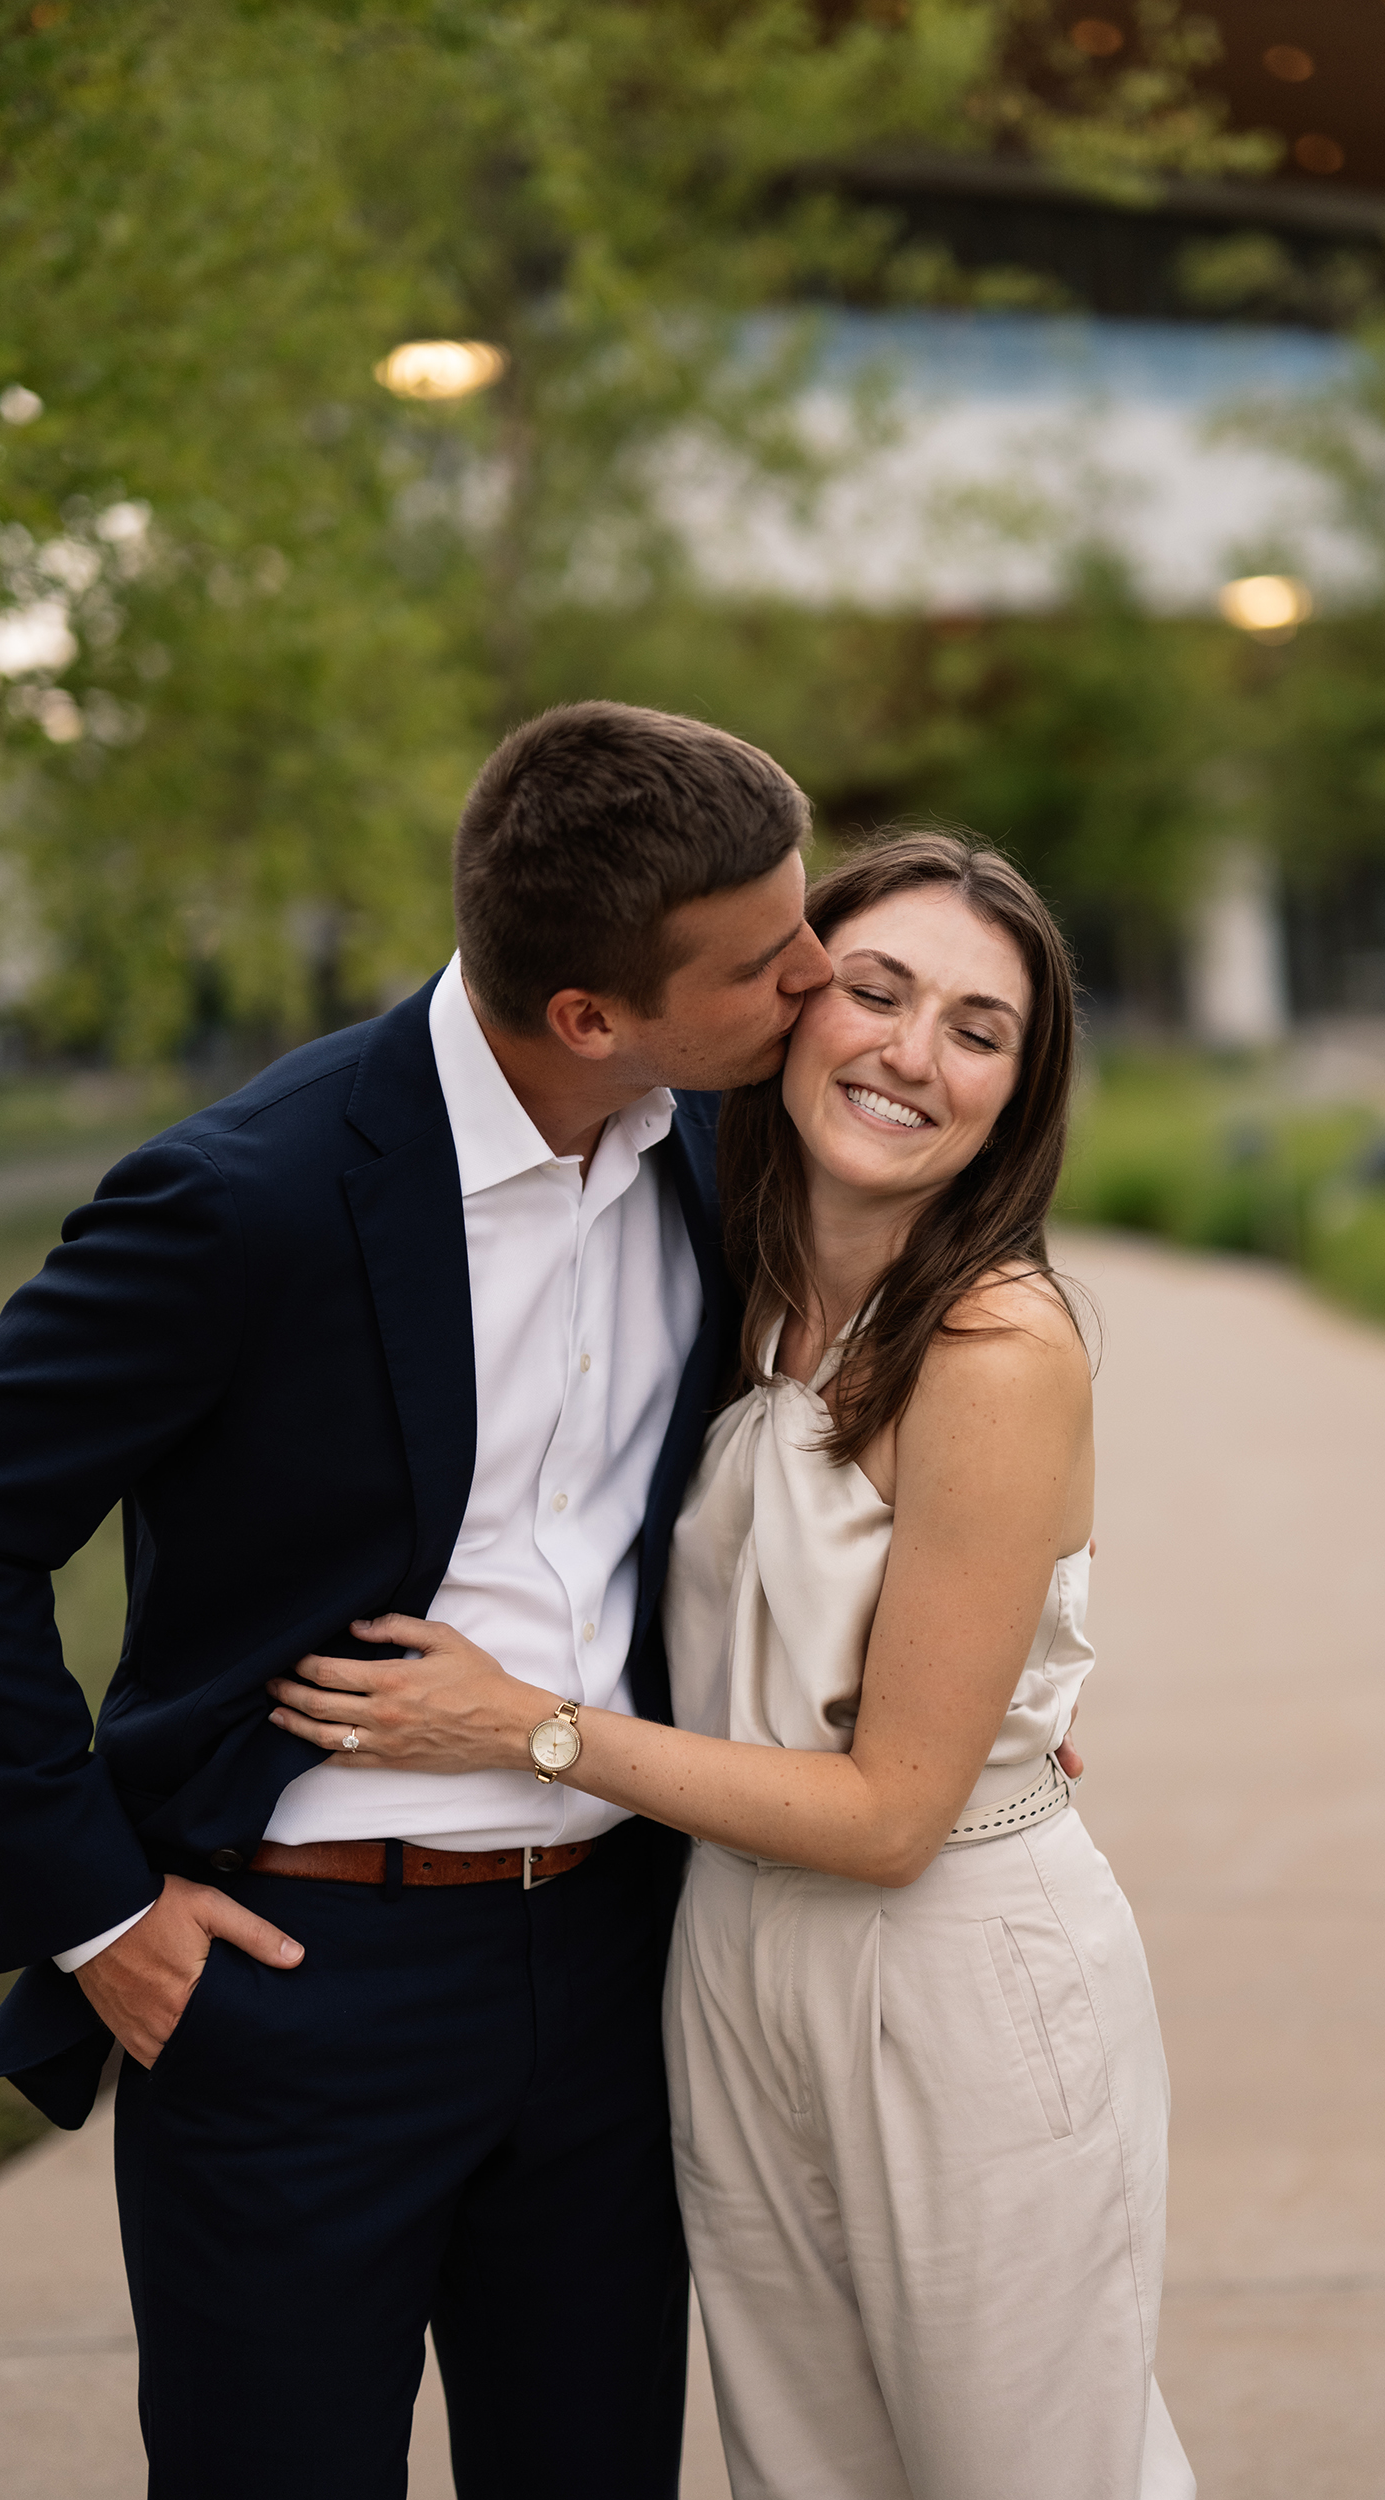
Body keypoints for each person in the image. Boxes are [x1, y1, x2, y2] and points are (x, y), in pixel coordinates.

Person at [268, 830, 1193, 2500]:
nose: (914, 1053)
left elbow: (893, 1817)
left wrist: (530, 1729)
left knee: (1029, 2473)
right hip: (727, 1957)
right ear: (790, 1005)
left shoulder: (992, 1345)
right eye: (878, 991)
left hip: (952, 1975)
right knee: (805, 2473)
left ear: (1019, 1091)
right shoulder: (731, 1272)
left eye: (979, 1031)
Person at [0, 700, 834, 2500]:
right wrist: (96, 1915)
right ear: (593, 1016)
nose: (818, 977)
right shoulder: (246, 1201)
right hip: (299, 1987)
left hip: (617, 1965)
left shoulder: (707, 1151)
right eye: (769, 959)